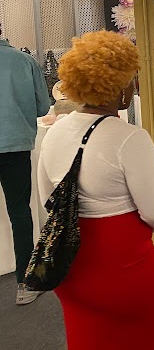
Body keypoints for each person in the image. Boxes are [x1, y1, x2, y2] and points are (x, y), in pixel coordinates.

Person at [38, 30, 154, 347]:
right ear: (118, 87)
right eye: (131, 79)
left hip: (71, 271)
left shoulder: (55, 133)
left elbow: (47, 200)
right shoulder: (130, 138)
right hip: (126, 273)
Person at [0, 24, 51, 305]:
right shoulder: (25, 61)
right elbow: (43, 108)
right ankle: (25, 284)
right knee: (20, 213)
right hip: (16, 146)